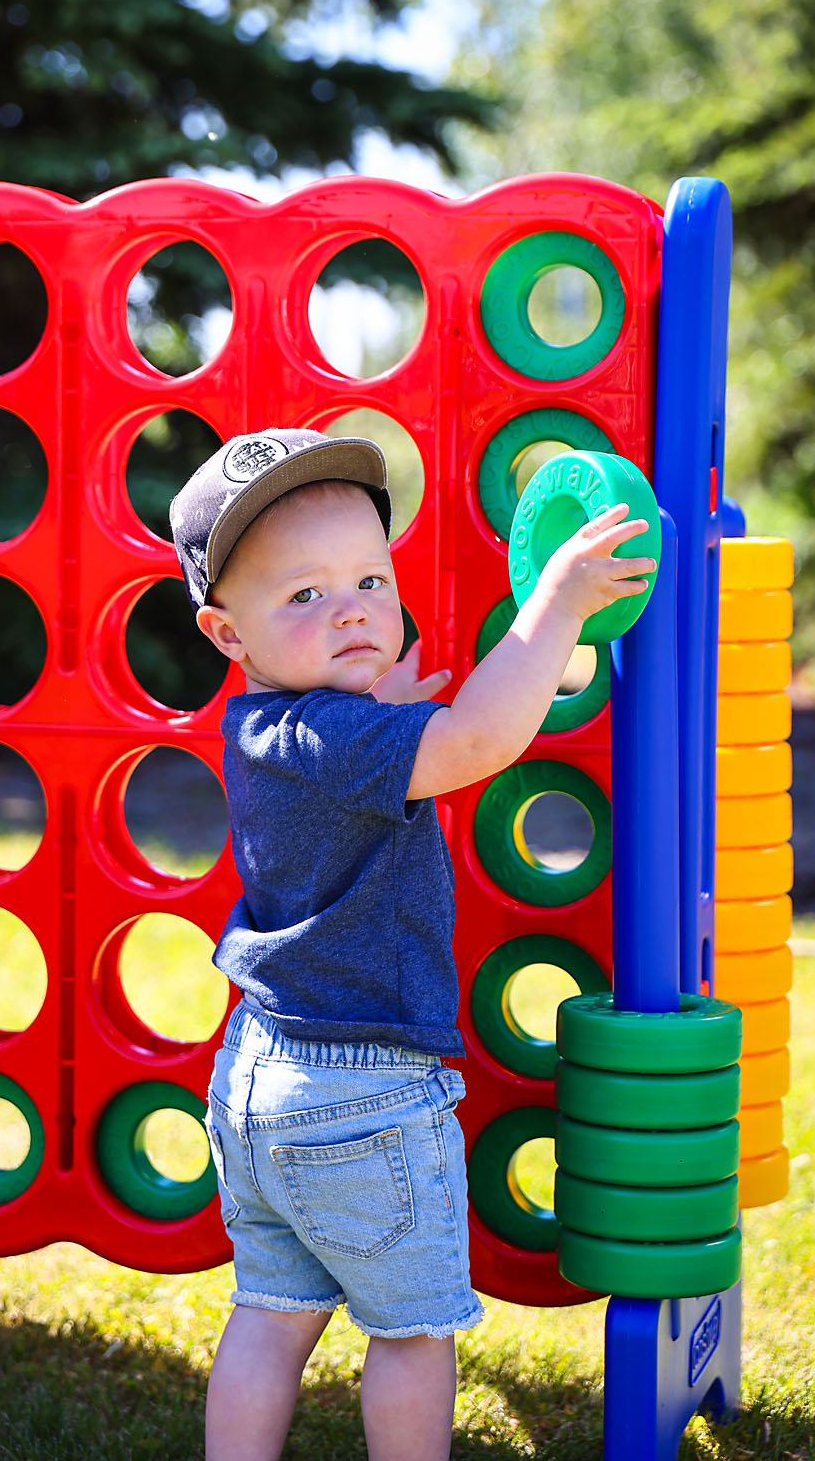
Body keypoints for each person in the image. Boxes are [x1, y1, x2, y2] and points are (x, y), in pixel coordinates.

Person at [169, 428, 655, 1461]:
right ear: (225, 632)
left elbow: (341, 761)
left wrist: (372, 695)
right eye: (300, 596)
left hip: (256, 1080)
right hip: (361, 1093)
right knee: (411, 1332)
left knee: (272, 1311)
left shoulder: (266, 725)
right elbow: (476, 737)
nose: (348, 607)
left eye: (367, 579)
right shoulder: (340, 741)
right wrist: (556, 605)